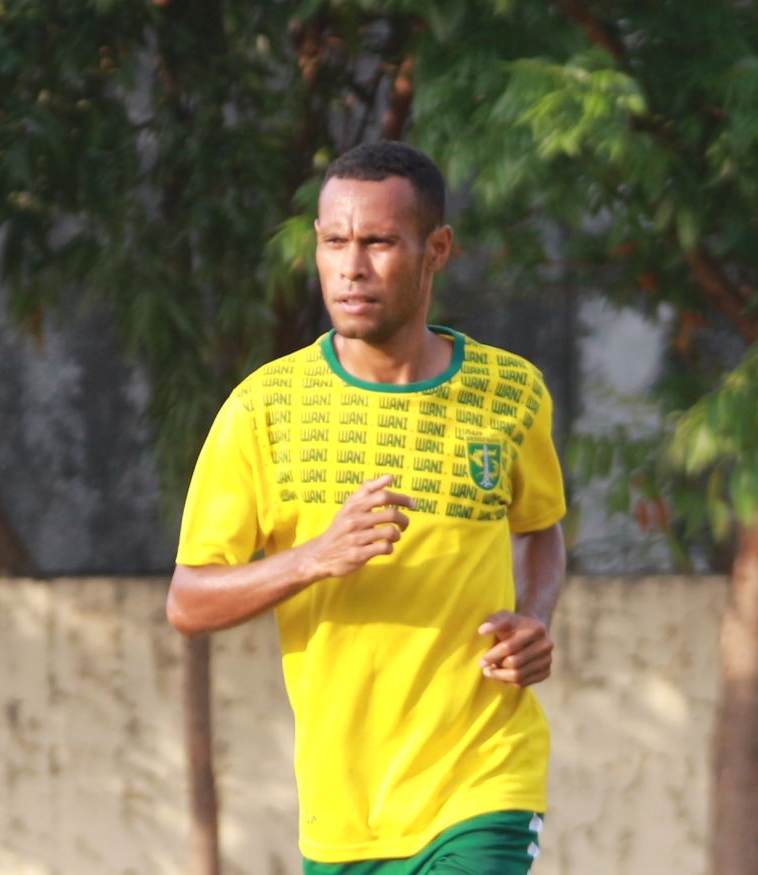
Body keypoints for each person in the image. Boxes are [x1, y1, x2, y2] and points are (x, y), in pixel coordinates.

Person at [167, 140, 567, 875]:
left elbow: (541, 526)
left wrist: (536, 613)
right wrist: (314, 556)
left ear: (436, 249)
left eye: (379, 242)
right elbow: (189, 600)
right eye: (333, 242)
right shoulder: (264, 408)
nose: (350, 267)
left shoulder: (511, 393)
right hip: (344, 814)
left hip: (485, 777)